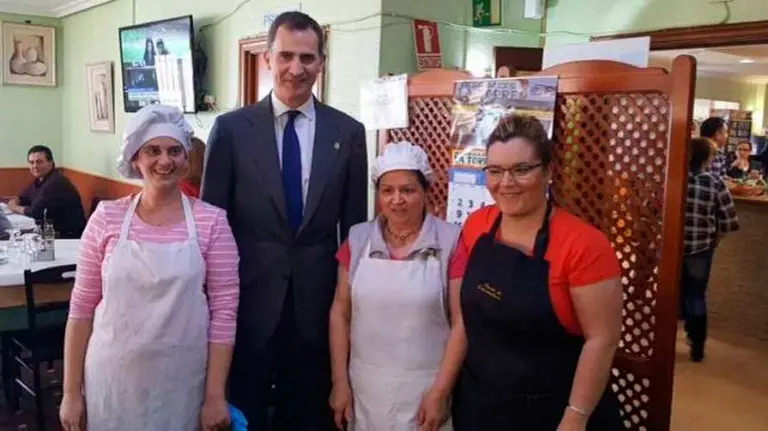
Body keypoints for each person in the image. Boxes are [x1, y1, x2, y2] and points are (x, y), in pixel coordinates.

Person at [201, 11, 368, 430]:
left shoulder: (348, 133)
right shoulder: (230, 130)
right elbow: (211, 228)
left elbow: (352, 232)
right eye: (286, 56)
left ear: (321, 63)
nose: (297, 69)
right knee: (243, 413)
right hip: (246, 305)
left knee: (308, 415)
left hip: (317, 308)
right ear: (267, 60)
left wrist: (346, 310)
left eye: (308, 58)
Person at [59, 105, 240, 431]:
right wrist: (71, 392)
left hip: (182, 381)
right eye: (152, 151)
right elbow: (82, 309)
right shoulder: (106, 218)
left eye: (174, 151)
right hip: (111, 379)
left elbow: (225, 314)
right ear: (135, 158)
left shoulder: (212, 222)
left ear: (187, 159)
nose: (164, 161)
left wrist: (215, 396)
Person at [451, 114, 623, 430]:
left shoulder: (584, 245)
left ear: (548, 171)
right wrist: (441, 387)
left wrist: (576, 416)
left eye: (522, 170)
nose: (506, 183)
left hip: (552, 411)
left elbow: (602, 339)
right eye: (495, 171)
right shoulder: (477, 226)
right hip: (482, 404)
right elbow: (466, 319)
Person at [328, 142, 464, 431]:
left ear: (426, 191)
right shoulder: (358, 238)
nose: (397, 200)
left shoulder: (451, 241)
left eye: (408, 190)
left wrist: (441, 392)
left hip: (425, 391)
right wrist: (340, 382)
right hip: (365, 389)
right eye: (387, 190)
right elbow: (341, 313)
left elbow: (461, 322)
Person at [681, 137, 740, 362]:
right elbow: (728, 220)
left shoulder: (673, 178)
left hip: (671, 250)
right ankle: (697, 346)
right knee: (696, 295)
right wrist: (715, 240)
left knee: (669, 294)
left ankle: (663, 342)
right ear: (706, 158)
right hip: (700, 249)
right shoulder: (714, 182)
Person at [6, 145, 86, 238]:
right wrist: (15, 201)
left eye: (39, 162)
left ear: (51, 163)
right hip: (50, 232)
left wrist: (14, 207)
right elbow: (23, 198)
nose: (35, 166)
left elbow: (34, 212)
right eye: (32, 162)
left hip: (67, 237)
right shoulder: (41, 179)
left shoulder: (56, 182)